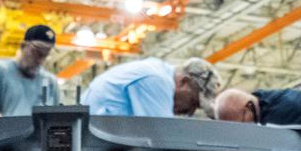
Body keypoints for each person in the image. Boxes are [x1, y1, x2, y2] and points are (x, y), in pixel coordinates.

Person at [0, 25, 60, 116]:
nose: (40, 60)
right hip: (6, 129)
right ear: (23, 46)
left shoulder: (50, 81)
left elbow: (56, 115)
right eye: (36, 52)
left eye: (45, 54)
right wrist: (9, 128)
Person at [84, 57, 221, 117]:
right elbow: (163, 141)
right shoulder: (157, 80)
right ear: (183, 81)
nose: (190, 113)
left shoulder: (153, 70)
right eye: (192, 103)